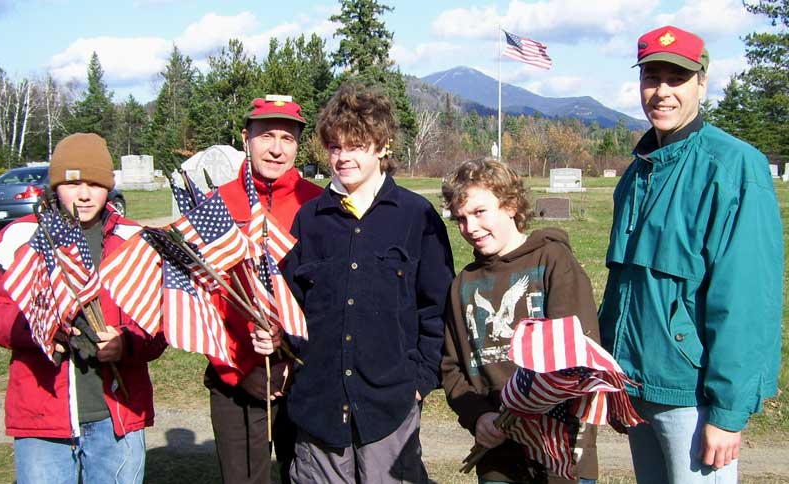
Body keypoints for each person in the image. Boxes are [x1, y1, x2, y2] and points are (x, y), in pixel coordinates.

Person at [598, 25, 783, 484]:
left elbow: (744, 301)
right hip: (638, 388)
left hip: (693, 398)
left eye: (676, 78)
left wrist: (727, 412)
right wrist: (613, 378)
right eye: (651, 76)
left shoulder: (735, 167)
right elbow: (626, 289)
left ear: (702, 81)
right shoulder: (638, 172)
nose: (662, 91)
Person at [253, 82, 455, 483]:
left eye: (356, 146)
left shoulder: (416, 216)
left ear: (382, 146)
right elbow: (292, 305)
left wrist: (418, 384)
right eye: (334, 147)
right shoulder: (310, 220)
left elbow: (437, 310)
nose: (343, 157)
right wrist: (275, 335)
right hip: (319, 406)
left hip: (390, 406)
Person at [0, 133, 167, 483]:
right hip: (43, 415)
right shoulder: (20, 237)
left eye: (95, 183)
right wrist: (35, 328)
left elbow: (160, 323)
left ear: (108, 187)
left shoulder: (135, 240)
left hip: (116, 414)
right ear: (55, 186)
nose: (84, 194)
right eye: (73, 183)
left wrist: (126, 344)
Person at [440, 158, 599, 484]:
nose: (470, 228)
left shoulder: (552, 260)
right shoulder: (462, 285)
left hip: (561, 448)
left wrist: (526, 408)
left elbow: (578, 354)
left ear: (510, 205)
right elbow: (452, 367)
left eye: (479, 212)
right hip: (498, 455)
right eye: (460, 218)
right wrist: (478, 416)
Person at [204, 95, 323, 484]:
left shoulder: (319, 204)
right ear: (245, 137)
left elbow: (330, 296)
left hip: (303, 377)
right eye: (266, 135)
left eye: (287, 138)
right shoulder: (216, 205)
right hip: (236, 377)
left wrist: (294, 360)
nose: (276, 148)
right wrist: (241, 370)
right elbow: (200, 301)